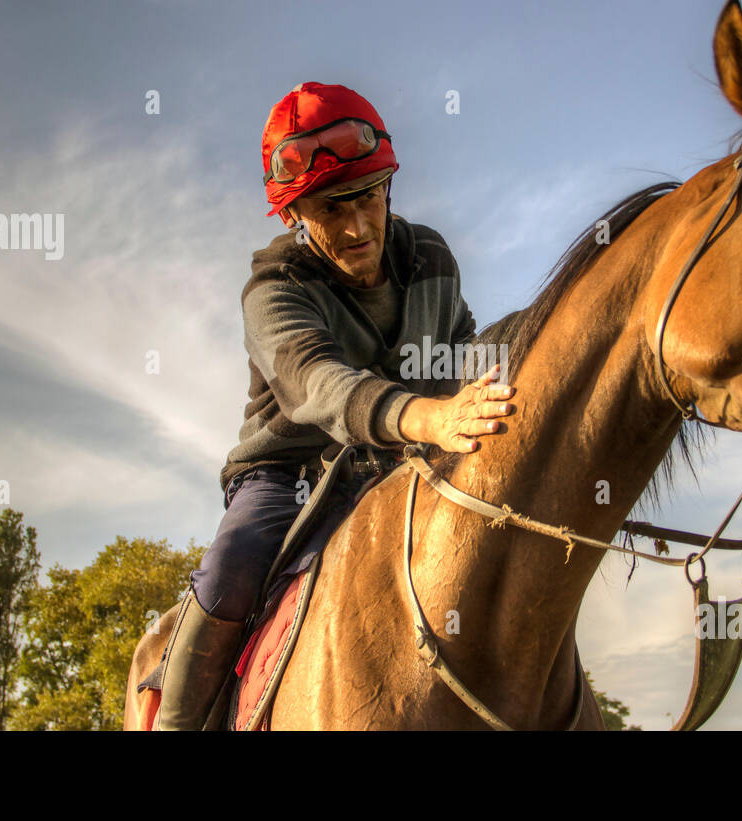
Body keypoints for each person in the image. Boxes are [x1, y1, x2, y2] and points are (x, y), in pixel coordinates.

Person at [156, 82, 519, 730]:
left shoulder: (431, 254)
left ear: (388, 188)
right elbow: (322, 384)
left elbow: (465, 350)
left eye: (367, 198)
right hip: (287, 477)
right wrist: (431, 416)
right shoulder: (273, 289)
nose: (356, 227)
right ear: (294, 214)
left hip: (404, 465)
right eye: (329, 209)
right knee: (227, 574)